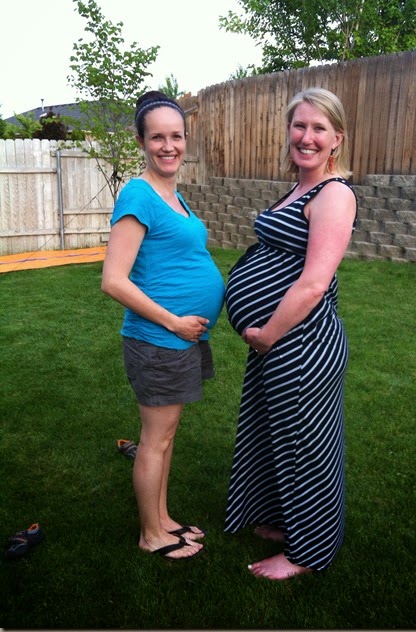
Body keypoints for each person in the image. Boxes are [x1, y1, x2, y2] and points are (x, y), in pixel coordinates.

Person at [224, 87, 358, 580]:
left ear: (336, 138)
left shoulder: (335, 195)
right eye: (299, 125)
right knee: (280, 435)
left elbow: (314, 283)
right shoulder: (299, 189)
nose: (307, 137)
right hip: (283, 343)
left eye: (319, 128)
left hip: (302, 343)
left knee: (306, 446)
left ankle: (307, 552)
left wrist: (268, 335)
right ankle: (287, 521)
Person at [102, 91, 225, 560]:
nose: (168, 146)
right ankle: (151, 534)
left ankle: (164, 518)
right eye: (157, 137)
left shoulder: (172, 194)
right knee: (155, 439)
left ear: (185, 139)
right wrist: (174, 321)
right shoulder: (138, 194)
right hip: (158, 339)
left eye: (176, 136)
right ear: (141, 141)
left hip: (179, 340)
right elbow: (113, 280)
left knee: (166, 435)